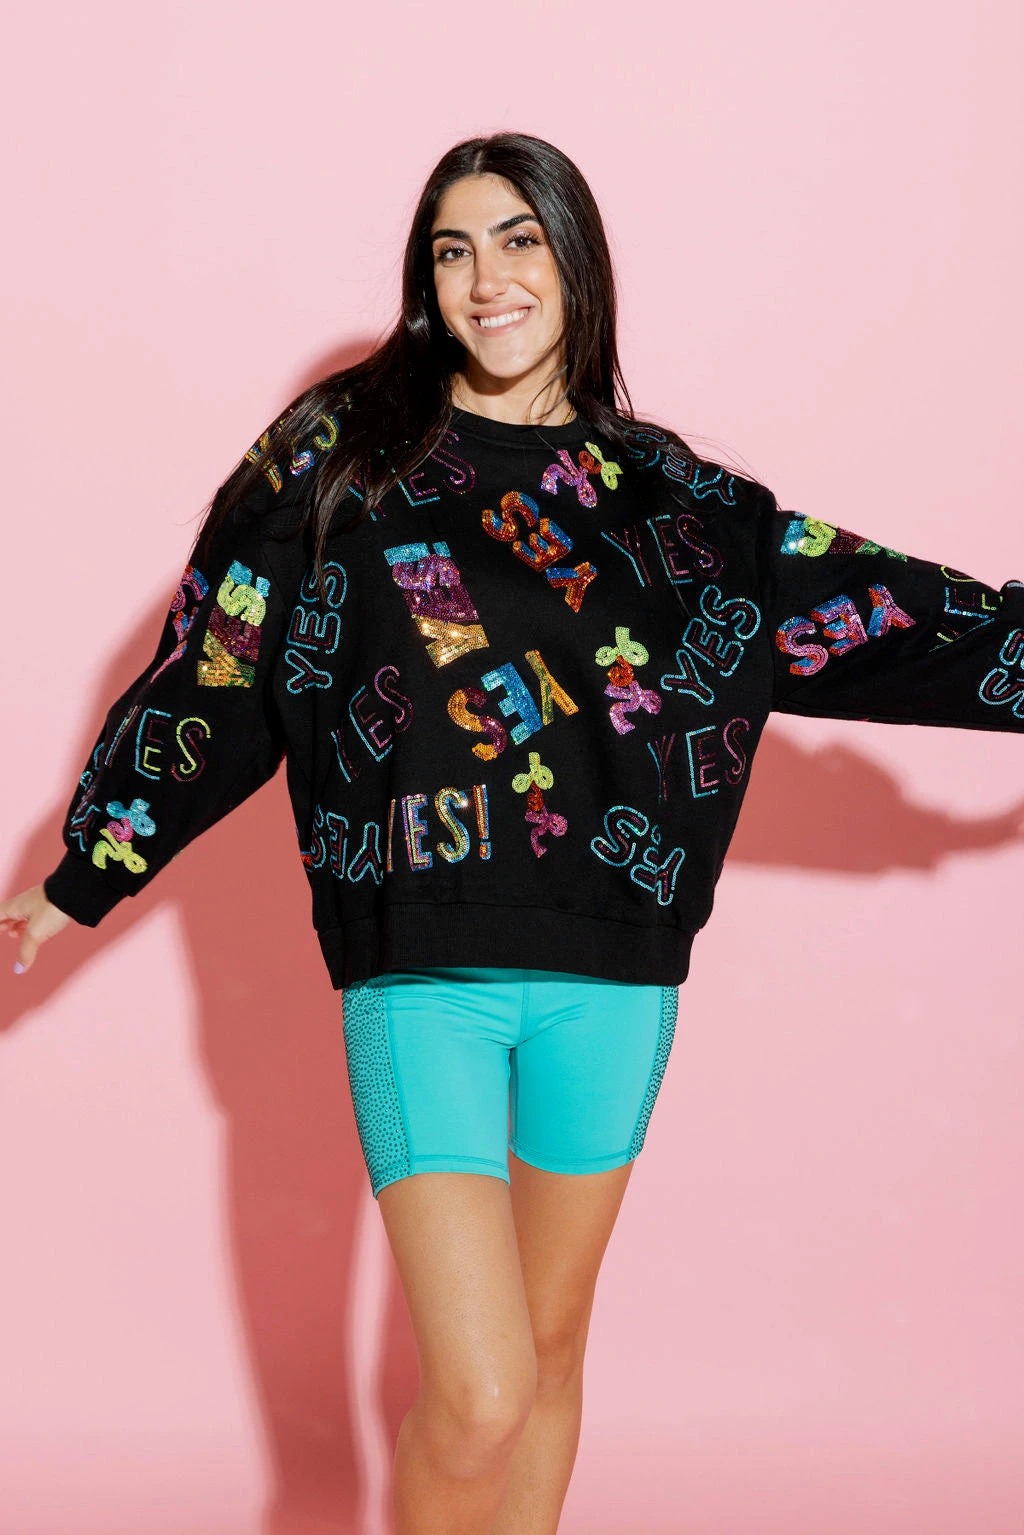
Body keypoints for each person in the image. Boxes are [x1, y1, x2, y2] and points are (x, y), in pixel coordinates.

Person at [3, 130, 1022, 1534]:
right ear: (427, 282)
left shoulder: (677, 505)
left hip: (616, 973)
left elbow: (885, 617)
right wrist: (83, 872)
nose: (488, 278)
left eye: (519, 239)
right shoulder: (341, 456)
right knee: (479, 1391)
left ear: (575, 258)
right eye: (454, 250)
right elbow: (218, 666)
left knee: (546, 1360)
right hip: (420, 964)